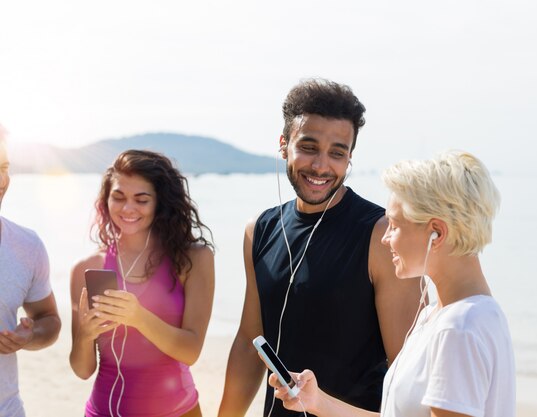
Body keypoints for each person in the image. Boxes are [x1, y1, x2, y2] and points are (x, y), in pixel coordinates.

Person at [218, 79, 421, 417]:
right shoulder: (259, 230)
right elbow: (248, 341)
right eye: (308, 147)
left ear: (350, 157)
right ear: (284, 145)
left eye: (337, 153)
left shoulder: (382, 235)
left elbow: (408, 373)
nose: (321, 166)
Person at [270, 150, 515, 417]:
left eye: (395, 226)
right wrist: (318, 401)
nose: (385, 238)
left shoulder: (458, 328)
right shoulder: (443, 316)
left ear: (438, 232)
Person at [69, 149, 215, 417]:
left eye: (141, 199)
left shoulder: (193, 259)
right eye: (119, 197)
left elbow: (190, 351)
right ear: (105, 200)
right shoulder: (87, 268)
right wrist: (86, 335)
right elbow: (82, 369)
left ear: (159, 202)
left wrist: (138, 317)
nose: (128, 208)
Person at [0, 125, 62, 417]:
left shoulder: (27, 245)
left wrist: (29, 335)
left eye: (4, 167)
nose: (1, 180)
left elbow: (49, 320)